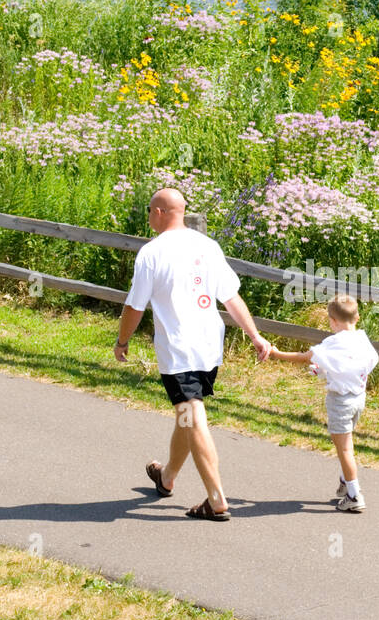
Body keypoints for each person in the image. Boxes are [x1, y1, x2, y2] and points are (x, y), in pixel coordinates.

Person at [114, 188, 271, 521]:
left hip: (178, 350)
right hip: (210, 348)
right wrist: (254, 335)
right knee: (186, 415)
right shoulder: (208, 246)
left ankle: (217, 501)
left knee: (193, 417)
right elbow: (231, 298)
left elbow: (134, 306)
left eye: (148, 210)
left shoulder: (151, 253)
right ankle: (167, 475)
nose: (148, 215)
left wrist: (122, 341)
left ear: (158, 212)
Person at [268, 293, 379, 512]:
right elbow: (362, 362)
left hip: (340, 403)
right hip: (358, 399)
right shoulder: (361, 339)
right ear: (357, 318)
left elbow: (304, 357)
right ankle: (345, 480)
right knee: (344, 444)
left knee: (345, 450)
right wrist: (325, 369)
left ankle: (354, 496)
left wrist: (276, 354)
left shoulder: (332, 342)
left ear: (332, 320)